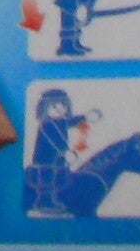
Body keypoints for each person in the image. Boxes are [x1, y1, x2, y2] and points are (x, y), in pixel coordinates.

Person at [24, 87, 97, 216]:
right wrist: (65, 152)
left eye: (62, 105)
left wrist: (85, 117)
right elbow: (53, 141)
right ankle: (44, 202)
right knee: (47, 180)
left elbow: (72, 121)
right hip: (45, 160)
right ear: (44, 108)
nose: (59, 109)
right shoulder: (46, 124)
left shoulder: (62, 121)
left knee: (58, 178)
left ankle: (52, 200)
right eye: (54, 106)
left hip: (58, 159)